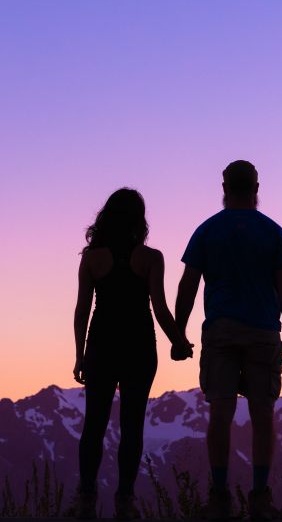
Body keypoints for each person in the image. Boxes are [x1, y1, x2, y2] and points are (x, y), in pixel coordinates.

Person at [173, 161, 282, 520]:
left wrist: (179, 330)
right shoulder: (273, 232)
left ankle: (219, 497)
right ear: (257, 187)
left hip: (221, 331)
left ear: (224, 187)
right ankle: (260, 497)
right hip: (263, 332)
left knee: (220, 414)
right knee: (263, 414)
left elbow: (188, 284)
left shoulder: (207, 230)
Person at [74, 188, 193, 520]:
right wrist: (179, 341)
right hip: (139, 346)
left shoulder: (92, 258)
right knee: (132, 425)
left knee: (94, 424)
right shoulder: (151, 258)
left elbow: (83, 309)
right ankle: (125, 500)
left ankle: (85, 499)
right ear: (139, 220)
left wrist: (79, 354)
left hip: (101, 344)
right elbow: (160, 308)